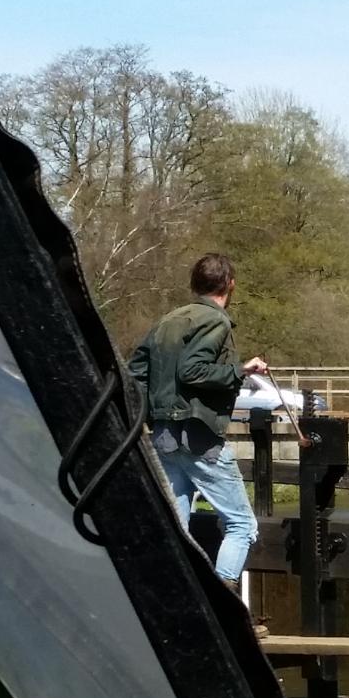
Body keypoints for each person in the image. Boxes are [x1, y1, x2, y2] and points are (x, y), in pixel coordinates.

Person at [126, 253, 267, 610]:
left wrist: (152, 415)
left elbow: (136, 372)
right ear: (230, 284)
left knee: (176, 523)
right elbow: (194, 371)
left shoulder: (168, 321)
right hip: (198, 436)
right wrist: (241, 370)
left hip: (164, 437)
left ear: (194, 284)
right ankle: (224, 609)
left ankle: (172, 599)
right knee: (241, 524)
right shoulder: (214, 322)